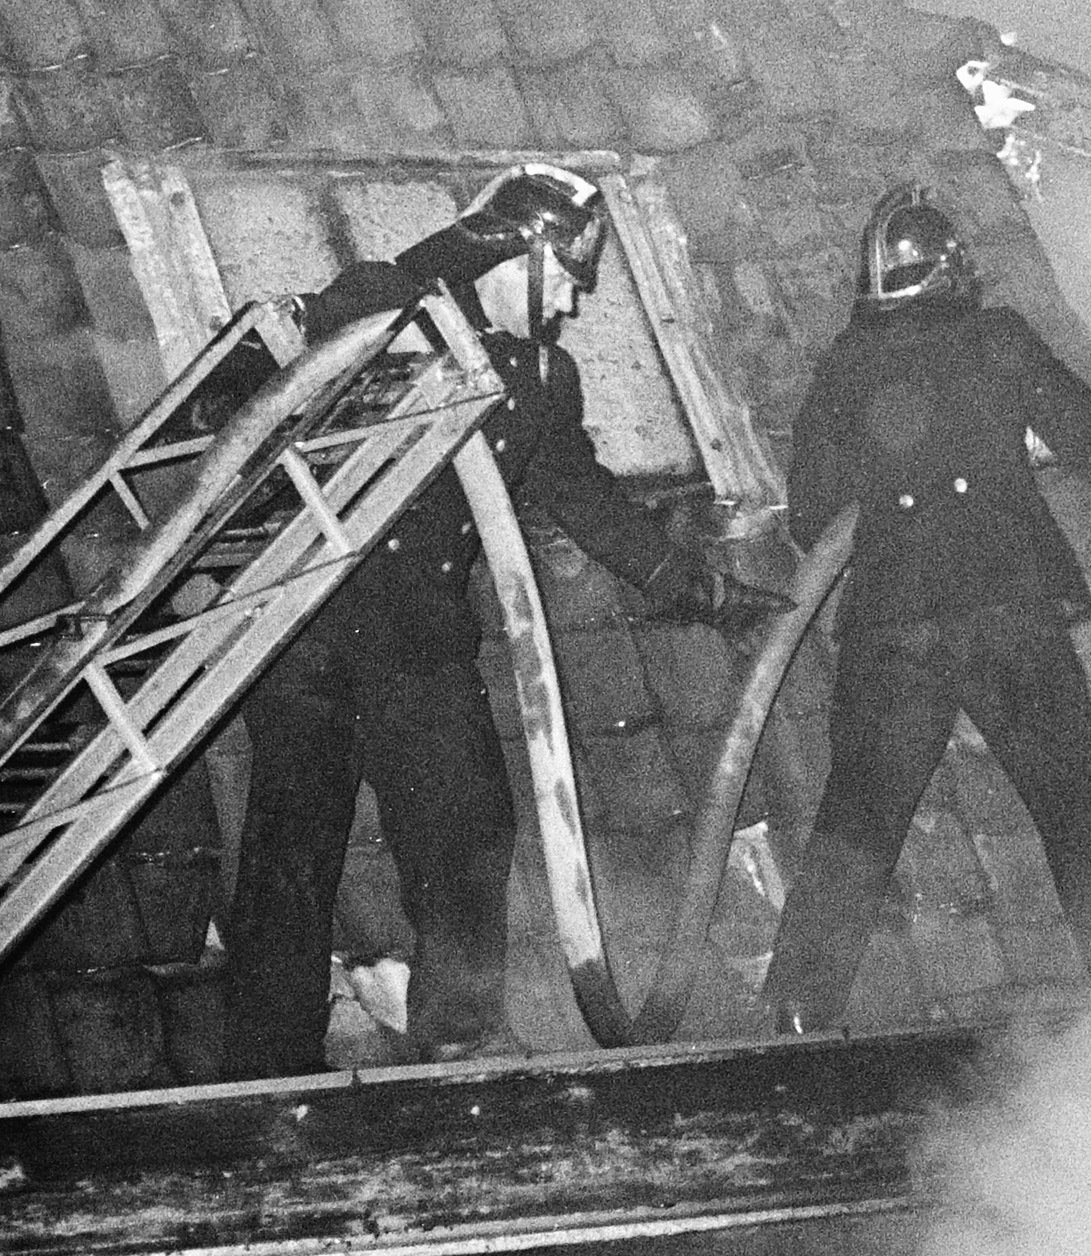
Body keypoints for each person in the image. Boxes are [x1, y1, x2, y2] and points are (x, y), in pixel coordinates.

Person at [216, 164, 767, 1076]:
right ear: (506, 257)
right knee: (293, 844)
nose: (569, 310)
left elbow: (584, 499)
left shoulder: (541, 378)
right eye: (560, 282)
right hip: (307, 627)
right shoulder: (384, 306)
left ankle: (459, 1035)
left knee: (469, 827)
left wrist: (704, 592)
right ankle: (264, 1068)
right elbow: (257, 378)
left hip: (420, 640)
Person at [758, 183, 1091, 1028]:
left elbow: (809, 517)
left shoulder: (844, 364)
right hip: (1006, 616)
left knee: (858, 821)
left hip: (891, 631)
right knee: (1078, 812)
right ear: (950, 272)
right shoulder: (997, 339)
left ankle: (795, 1013)